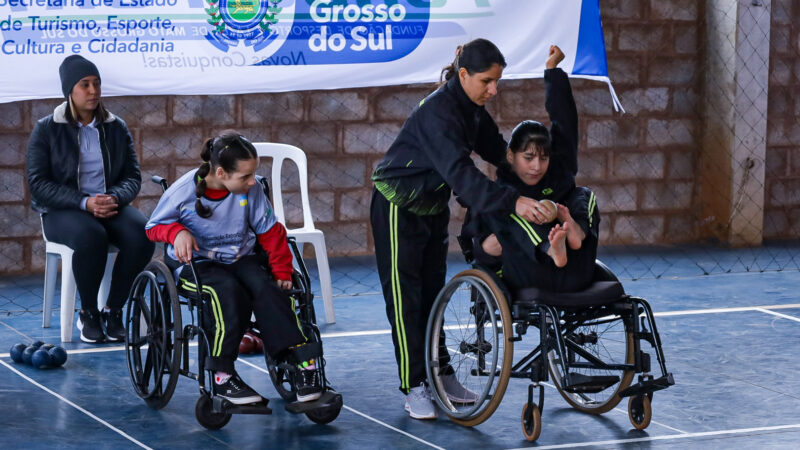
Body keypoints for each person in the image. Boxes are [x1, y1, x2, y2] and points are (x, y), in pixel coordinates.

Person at [370, 38, 546, 419]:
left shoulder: (474, 110)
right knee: (406, 300)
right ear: (463, 74)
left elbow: (499, 153)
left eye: (498, 81)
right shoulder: (438, 112)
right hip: (397, 205)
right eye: (487, 81)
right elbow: (462, 176)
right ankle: (414, 385)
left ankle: (441, 375)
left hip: (431, 207)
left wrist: (538, 174)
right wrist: (513, 202)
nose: (494, 90)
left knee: (435, 296)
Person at [144, 132, 322, 405]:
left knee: (269, 288)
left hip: (241, 258)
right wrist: (177, 232)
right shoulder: (183, 191)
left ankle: (301, 363)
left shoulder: (251, 191)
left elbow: (271, 232)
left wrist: (282, 270)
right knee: (225, 293)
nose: (253, 182)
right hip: (196, 264)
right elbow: (153, 227)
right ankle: (222, 374)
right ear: (220, 173)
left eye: (254, 175)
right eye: (245, 176)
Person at [26, 55, 155, 343]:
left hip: (110, 204)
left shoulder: (115, 126)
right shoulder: (47, 128)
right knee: (91, 236)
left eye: (96, 83)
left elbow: (133, 176)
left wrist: (114, 198)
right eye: (85, 84)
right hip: (63, 209)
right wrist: (84, 203)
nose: (93, 91)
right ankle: (88, 314)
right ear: (69, 90)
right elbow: (38, 184)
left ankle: (113, 310)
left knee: (143, 235)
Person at [474, 45, 600, 294]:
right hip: (525, 269)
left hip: (573, 269)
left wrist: (552, 70)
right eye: (528, 158)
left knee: (584, 194)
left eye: (543, 158)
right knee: (510, 212)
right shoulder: (505, 182)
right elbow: (480, 127)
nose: (536, 166)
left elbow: (565, 121)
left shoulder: (558, 169)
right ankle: (549, 246)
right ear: (511, 156)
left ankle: (576, 231)